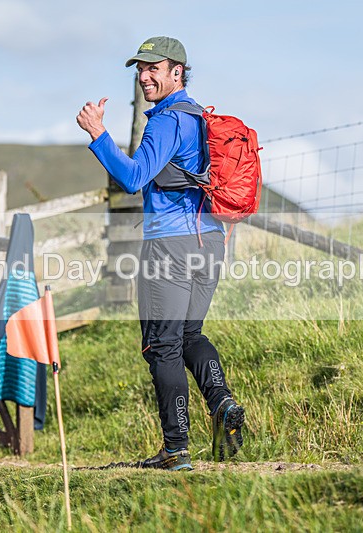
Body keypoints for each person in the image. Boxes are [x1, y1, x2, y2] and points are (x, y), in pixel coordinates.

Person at [76, 36, 245, 470]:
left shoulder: (168, 120)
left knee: (162, 345)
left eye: (155, 68)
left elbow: (133, 177)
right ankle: (222, 402)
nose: (144, 76)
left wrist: (98, 134)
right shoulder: (199, 119)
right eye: (140, 69)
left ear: (178, 73)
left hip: (170, 246)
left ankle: (176, 449)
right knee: (190, 336)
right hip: (210, 243)